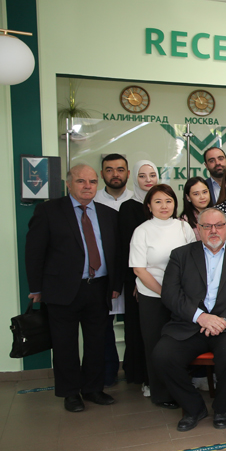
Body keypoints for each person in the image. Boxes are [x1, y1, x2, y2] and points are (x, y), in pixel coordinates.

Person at [26, 165, 122, 412]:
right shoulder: (49, 211)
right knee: (64, 344)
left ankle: (93, 389)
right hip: (62, 290)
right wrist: (36, 287)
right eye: (81, 181)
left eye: (92, 181)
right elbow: (34, 251)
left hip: (99, 288)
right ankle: (70, 393)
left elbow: (115, 253)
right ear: (68, 184)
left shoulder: (108, 214)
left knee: (96, 342)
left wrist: (115, 285)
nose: (87, 186)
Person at [151, 208, 226, 431]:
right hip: (190, 324)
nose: (213, 230)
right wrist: (200, 317)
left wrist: (225, 320)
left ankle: (221, 408)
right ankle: (194, 408)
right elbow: (170, 294)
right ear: (198, 230)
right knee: (162, 356)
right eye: (207, 226)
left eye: (218, 225)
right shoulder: (180, 255)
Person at [129, 184, 196, 409]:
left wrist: (178, 295)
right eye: (158, 201)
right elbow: (139, 269)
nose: (164, 206)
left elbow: (193, 261)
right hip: (152, 296)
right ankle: (161, 393)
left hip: (182, 297)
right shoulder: (142, 231)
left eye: (168, 201)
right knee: (155, 345)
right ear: (149, 205)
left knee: (180, 343)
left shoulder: (183, 227)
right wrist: (165, 294)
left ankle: (182, 388)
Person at [118, 159, 159, 390]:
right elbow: (126, 247)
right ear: (134, 178)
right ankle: (143, 377)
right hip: (137, 280)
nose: (148, 180)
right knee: (140, 332)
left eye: (152, 175)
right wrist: (137, 279)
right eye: (142, 176)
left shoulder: (162, 204)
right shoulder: (128, 207)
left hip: (161, 281)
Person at [93, 153, 132, 387]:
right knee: (103, 327)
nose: (115, 174)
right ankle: (107, 374)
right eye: (109, 170)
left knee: (133, 326)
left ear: (128, 173)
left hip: (131, 274)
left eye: (120, 169)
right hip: (103, 275)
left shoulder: (137, 200)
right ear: (102, 174)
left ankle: (132, 371)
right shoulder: (93, 201)